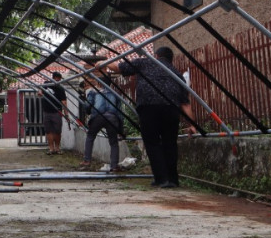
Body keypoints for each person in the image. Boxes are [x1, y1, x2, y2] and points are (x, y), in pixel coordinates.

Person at [104, 47, 191, 188]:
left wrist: (104, 62)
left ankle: (161, 179)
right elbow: (185, 103)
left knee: (152, 142)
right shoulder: (176, 74)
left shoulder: (145, 63)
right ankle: (173, 180)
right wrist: (192, 124)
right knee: (170, 143)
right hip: (171, 109)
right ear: (170, 59)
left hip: (149, 108)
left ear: (156, 56)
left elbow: (118, 67)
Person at [80, 76, 125, 172]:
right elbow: (120, 112)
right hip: (112, 118)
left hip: (97, 116)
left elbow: (88, 105)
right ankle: (114, 166)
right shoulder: (115, 94)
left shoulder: (93, 92)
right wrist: (120, 129)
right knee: (113, 142)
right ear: (110, 84)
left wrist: (88, 112)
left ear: (99, 83)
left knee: (90, 136)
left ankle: (87, 161)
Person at [39, 71, 68, 155]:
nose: (58, 81)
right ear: (54, 78)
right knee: (48, 131)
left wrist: (66, 114)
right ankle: (51, 148)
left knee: (57, 131)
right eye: (58, 79)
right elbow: (40, 88)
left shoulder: (60, 89)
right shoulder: (46, 84)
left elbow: (64, 102)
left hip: (56, 112)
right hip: (46, 112)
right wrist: (40, 91)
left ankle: (57, 148)